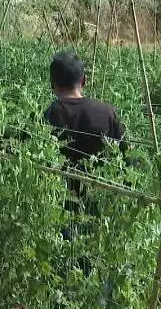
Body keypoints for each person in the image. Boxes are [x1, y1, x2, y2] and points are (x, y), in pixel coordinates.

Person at [42, 51, 127, 272]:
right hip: (99, 202)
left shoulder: (52, 113)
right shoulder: (106, 112)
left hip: (60, 204)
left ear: (53, 84)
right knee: (92, 264)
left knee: (61, 267)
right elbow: (127, 157)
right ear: (84, 81)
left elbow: (25, 141)